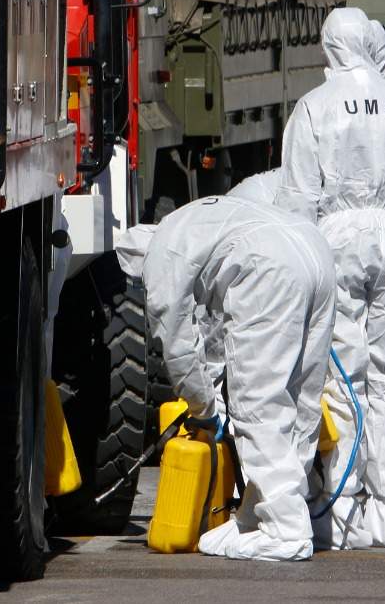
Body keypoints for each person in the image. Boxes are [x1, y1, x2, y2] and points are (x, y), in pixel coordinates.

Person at [276, 9, 385, 548]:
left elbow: (297, 197)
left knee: (341, 374)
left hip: (336, 240)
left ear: (331, 47)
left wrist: (297, 269)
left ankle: (344, 496)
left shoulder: (313, 107)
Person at [141, 194, 335, 561]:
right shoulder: (193, 222)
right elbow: (214, 332)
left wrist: (203, 408)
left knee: (257, 403)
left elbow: (177, 343)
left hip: (267, 263)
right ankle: (267, 513)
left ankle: (285, 529)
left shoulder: (160, 255)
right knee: (301, 398)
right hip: (313, 248)